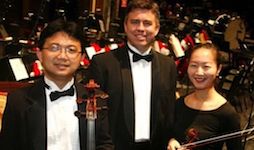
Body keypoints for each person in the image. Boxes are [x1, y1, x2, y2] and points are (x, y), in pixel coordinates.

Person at [0, 19, 113, 150]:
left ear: (82, 57)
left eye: (71, 50)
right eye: (55, 48)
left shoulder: (96, 99)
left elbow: (104, 144)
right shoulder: (18, 100)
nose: (62, 56)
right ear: (40, 54)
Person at [88, 0, 177, 150]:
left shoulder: (168, 65)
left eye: (147, 23)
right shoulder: (103, 63)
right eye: (135, 22)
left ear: (156, 29)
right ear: (125, 26)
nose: (141, 28)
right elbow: (96, 113)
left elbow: (169, 111)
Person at [167, 43, 242, 150]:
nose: (199, 72)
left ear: (218, 69)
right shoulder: (179, 104)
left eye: (206, 66)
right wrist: (171, 140)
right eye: (193, 65)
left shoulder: (227, 113)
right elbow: (169, 133)